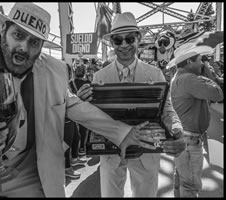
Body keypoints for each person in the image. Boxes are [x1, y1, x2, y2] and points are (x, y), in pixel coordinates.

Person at [0, 3, 160, 197]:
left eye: (34, 42)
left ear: (41, 47)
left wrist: (123, 133)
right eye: (18, 35)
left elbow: (71, 104)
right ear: (4, 31)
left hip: (32, 177)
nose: (23, 48)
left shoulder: (55, 69)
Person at [77, 12, 185, 197]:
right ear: (112, 42)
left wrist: (177, 128)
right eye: (118, 40)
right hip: (111, 150)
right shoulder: (99, 76)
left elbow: (166, 109)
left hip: (147, 149)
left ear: (138, 38)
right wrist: (81, 104)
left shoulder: (155, 74)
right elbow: (92, 117)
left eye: (129, 39)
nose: (124, 45)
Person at [168, 43, 224, 197]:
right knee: (190, 186)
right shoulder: (188, 79)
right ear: (189, 62)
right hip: (189, 142)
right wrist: (208, 74)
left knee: (182, 180)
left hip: (183, 138)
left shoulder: (180, 77)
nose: (203, 63)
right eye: (200, 60)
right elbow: (218, 94)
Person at [69, 64, 91, 156]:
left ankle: (74, 150)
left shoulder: (70, 83)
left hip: (73, 108)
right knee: (84, 129)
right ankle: (82, 148)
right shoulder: (88, 83)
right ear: (84, 73)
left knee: (74, 131)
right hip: (85, 108)